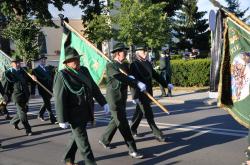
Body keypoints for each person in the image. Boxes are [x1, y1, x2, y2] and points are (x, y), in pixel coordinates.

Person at [54, 47, 109, 165]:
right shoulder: (62, 75)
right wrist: (61, 119)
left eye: (77, 59)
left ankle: (67, 158)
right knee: (83, 142)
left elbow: (93, 87)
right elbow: (59, 98)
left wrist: (103, 102)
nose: (77, 62)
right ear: (67, 63)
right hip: (74, 114)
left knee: (76, 137)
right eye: (73, 60)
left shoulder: (84, 70)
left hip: (87, 110)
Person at [98, 43, 146, 159]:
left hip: (122, 98)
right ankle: (132, 149)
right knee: (123, 123)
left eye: (126, 51)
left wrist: (135, 82)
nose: (126, 53)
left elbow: (130, 77)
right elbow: (119, 77)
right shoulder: (110, 65)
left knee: (115, 120)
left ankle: (104, 139)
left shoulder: (124, 65)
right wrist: (134, 82)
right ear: (118, 53)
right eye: (124, 51)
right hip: (113, 99)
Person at [130, 45, 168, 142]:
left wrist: (166, 84)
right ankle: (158, 134)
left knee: (139, 113)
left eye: (146, 51)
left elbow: (156, 75)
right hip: (140, 93)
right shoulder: (134, 65)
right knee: (148, 114)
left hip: (148, 92)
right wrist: (134, 96)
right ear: (138, 54)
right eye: (143, 52)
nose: (146, 53)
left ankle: (132, 129)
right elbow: (133, 82)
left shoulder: (147, 63)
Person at [2, 56, 34, 136]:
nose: (17, 64)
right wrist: (4, 96)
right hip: (16, 96)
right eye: (15, 62)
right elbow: (5, 86)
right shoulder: (8, 73)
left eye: (19, 62)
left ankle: (13, 122)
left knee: (24, 110)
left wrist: (33, 79)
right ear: (12, 64)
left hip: (26, 95)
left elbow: (32, 81)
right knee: (22, 112)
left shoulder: (24, 71)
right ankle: (28, 129)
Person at [32, 54, 57, 124]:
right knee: (48, 103)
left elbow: (53, 74)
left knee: (46, 102)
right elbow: (33, 83)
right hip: (43, 89)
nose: (43, 61)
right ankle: (53, 119)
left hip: (50, 88)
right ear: (38, 61)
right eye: (41, 60)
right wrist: (33, 93)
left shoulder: (48, 68)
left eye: (44, 59)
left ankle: (40, 114)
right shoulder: (35, 70)